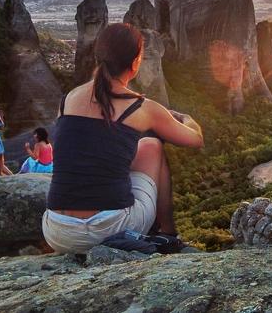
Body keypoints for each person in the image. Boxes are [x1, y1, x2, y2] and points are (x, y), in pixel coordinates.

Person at [43, 23, 203, 254]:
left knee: (134, 148)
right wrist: (186, 119)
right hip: (108, 228)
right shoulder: (142, 107)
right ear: (136, 62)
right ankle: (168, 234)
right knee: (153, 145)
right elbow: (195, 139)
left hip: (57, 232)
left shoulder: (68, 99)